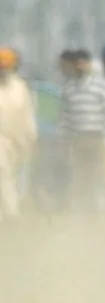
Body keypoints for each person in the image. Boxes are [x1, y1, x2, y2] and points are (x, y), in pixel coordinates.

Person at [58, 49, 105, 215]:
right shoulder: (70, 88)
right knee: (81, 180)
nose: (79, 67)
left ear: (88, 65)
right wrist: (65, 140)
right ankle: (87, 215)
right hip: (79, 140)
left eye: (83, 63)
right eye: (77, 63)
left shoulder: (100, 86)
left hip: (98, 138)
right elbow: (65, 117)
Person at [0, 48, 37, 220]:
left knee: (11, 176)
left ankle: (11, 211)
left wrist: (32, 138)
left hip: (17, 142)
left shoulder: (20, 87)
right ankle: (11, 213)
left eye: (5, 66)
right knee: (3, 172)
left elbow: (27, 114)